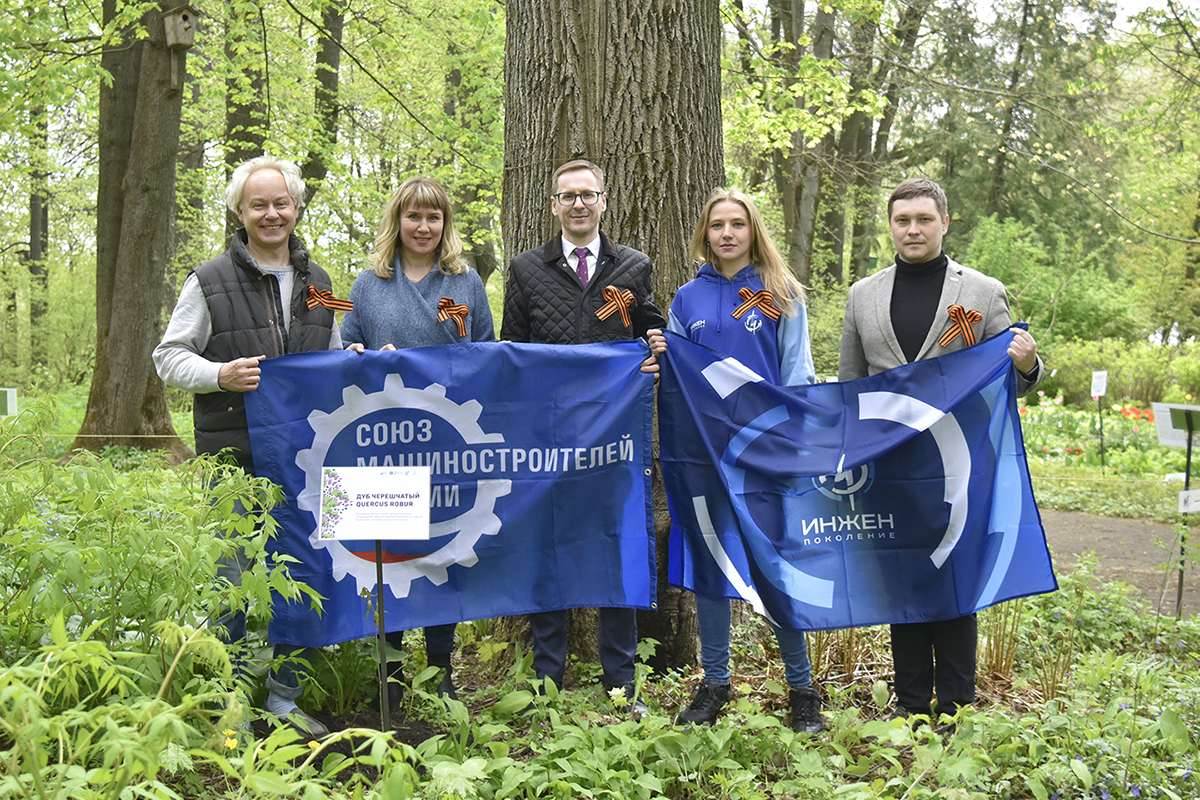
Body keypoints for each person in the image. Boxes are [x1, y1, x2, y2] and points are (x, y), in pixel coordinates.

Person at [153, 156, 346, 738]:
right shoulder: (206, 280)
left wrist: (357, 362)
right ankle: (226, 704)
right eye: (258, 204)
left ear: (297, 207)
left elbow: (333, 351)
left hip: (315, 461)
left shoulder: (323, 284)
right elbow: (168, 356)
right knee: (233, 580)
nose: (271, 214)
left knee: (313, 575)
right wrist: (218, 375)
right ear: (240, 211)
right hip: (235, 462)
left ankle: (285, 699)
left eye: (281, 203)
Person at [839, 177, 1043, 721]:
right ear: (891, 226)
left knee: (956, 578)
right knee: (904, 579)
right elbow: (849, 388)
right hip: (893, 466)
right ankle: (909, 709)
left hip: (961, 463)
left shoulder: (981, 291)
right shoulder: (863, 294)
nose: (912, 229)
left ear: (944, 223)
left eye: (923, 219)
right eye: (902, 220)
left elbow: (1012, 382)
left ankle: (957, 708)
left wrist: (1027, 365)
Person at [500, 158, 665, 714]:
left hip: (614, 438)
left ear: (602, 202)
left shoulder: (633, 266)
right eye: (567, 195)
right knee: (547, 550)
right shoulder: (525, 269)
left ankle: (621, 684)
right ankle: (548, 682)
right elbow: (511, 353)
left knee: (615, 549)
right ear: (552, 205)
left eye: (587, 195)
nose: (577, 204)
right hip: (546, 439)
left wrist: (654, 353)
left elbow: (649, 328)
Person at [662, 188, 825, 733]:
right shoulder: (686, 299)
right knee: (712, 561)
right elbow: (680, 378)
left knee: (773, 564)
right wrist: (660, 357)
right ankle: (715, 682)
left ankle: (802, 688)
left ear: (754, 230)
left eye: (737, 224)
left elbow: (798, 375)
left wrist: (791, 446)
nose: (727, 233)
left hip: (765, 453)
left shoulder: (781, 291)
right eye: (716, 225)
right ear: (704, 234)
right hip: (705, 452)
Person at [340, 175, 495, 710]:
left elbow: (487, 355)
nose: (423, 227)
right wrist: (361, 351)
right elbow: (345, 349)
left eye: (433, 217)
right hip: (380, 441)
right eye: (413, 216)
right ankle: (389, 672)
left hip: (444, 441)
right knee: (386, 559)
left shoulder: (465, 282)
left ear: (444, 224)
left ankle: (441, 670)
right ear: (397, 221)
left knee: (439, 555)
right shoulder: (367, 283)